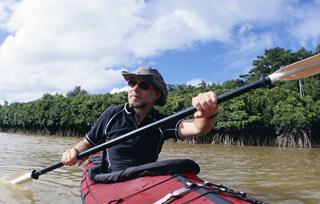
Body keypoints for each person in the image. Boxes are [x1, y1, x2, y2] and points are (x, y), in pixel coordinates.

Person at [62, 66, 219, 172]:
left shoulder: (161, 122)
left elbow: (198, 128)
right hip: (111, 180)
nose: (135, 88)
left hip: (145, 181)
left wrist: (209, 112)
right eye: (132, 83)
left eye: (143, 85)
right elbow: (88, 143)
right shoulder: (111, 115)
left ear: (156, 94)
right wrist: (75, 151)